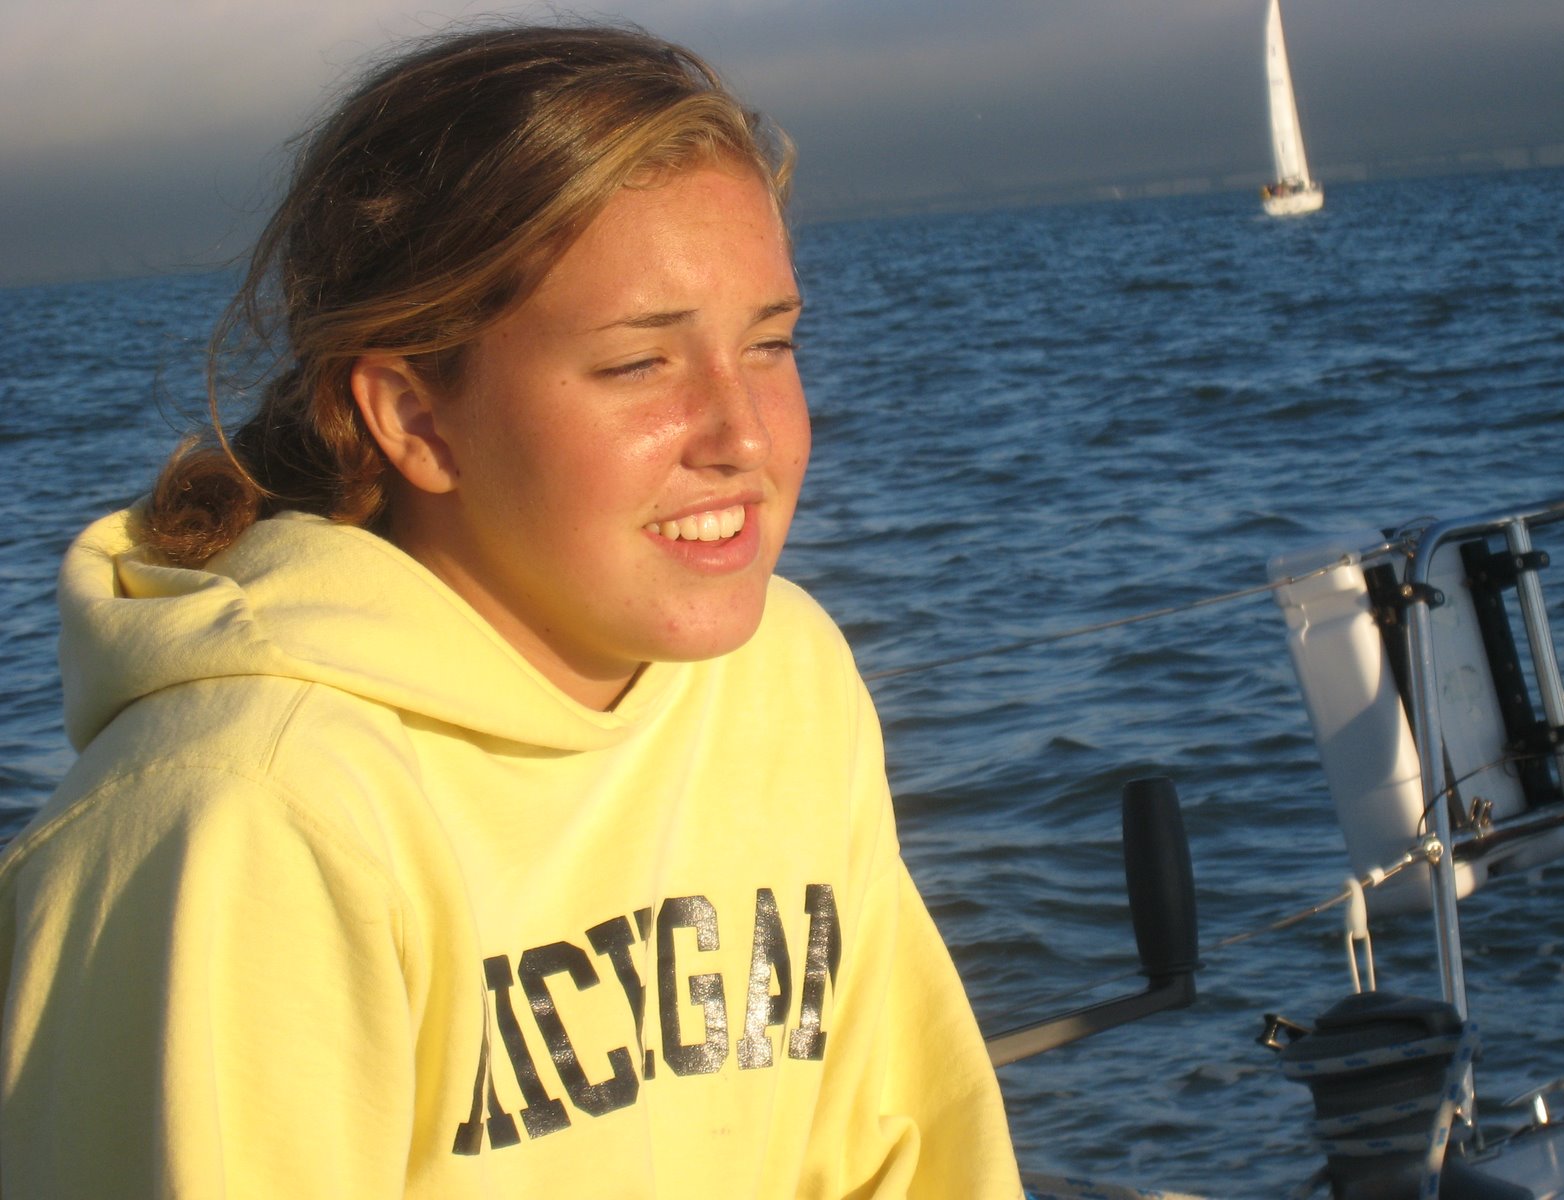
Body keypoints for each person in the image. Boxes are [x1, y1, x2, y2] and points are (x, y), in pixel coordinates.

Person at [0, 22, 1022, 1199]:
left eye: (770, 343)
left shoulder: (780, 678)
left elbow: (910, 1154)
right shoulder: (249, 819)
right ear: (413, 417)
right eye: (639, 364)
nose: (744, 436)